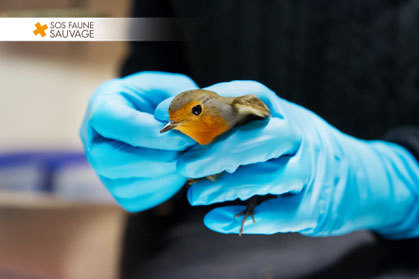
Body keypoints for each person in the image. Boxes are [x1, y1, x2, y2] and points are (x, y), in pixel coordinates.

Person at [80, 1, 419, 278]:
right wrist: (134, 145)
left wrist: (398, 184)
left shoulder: (246, 108)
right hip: (205, 245)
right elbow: (155, 50)